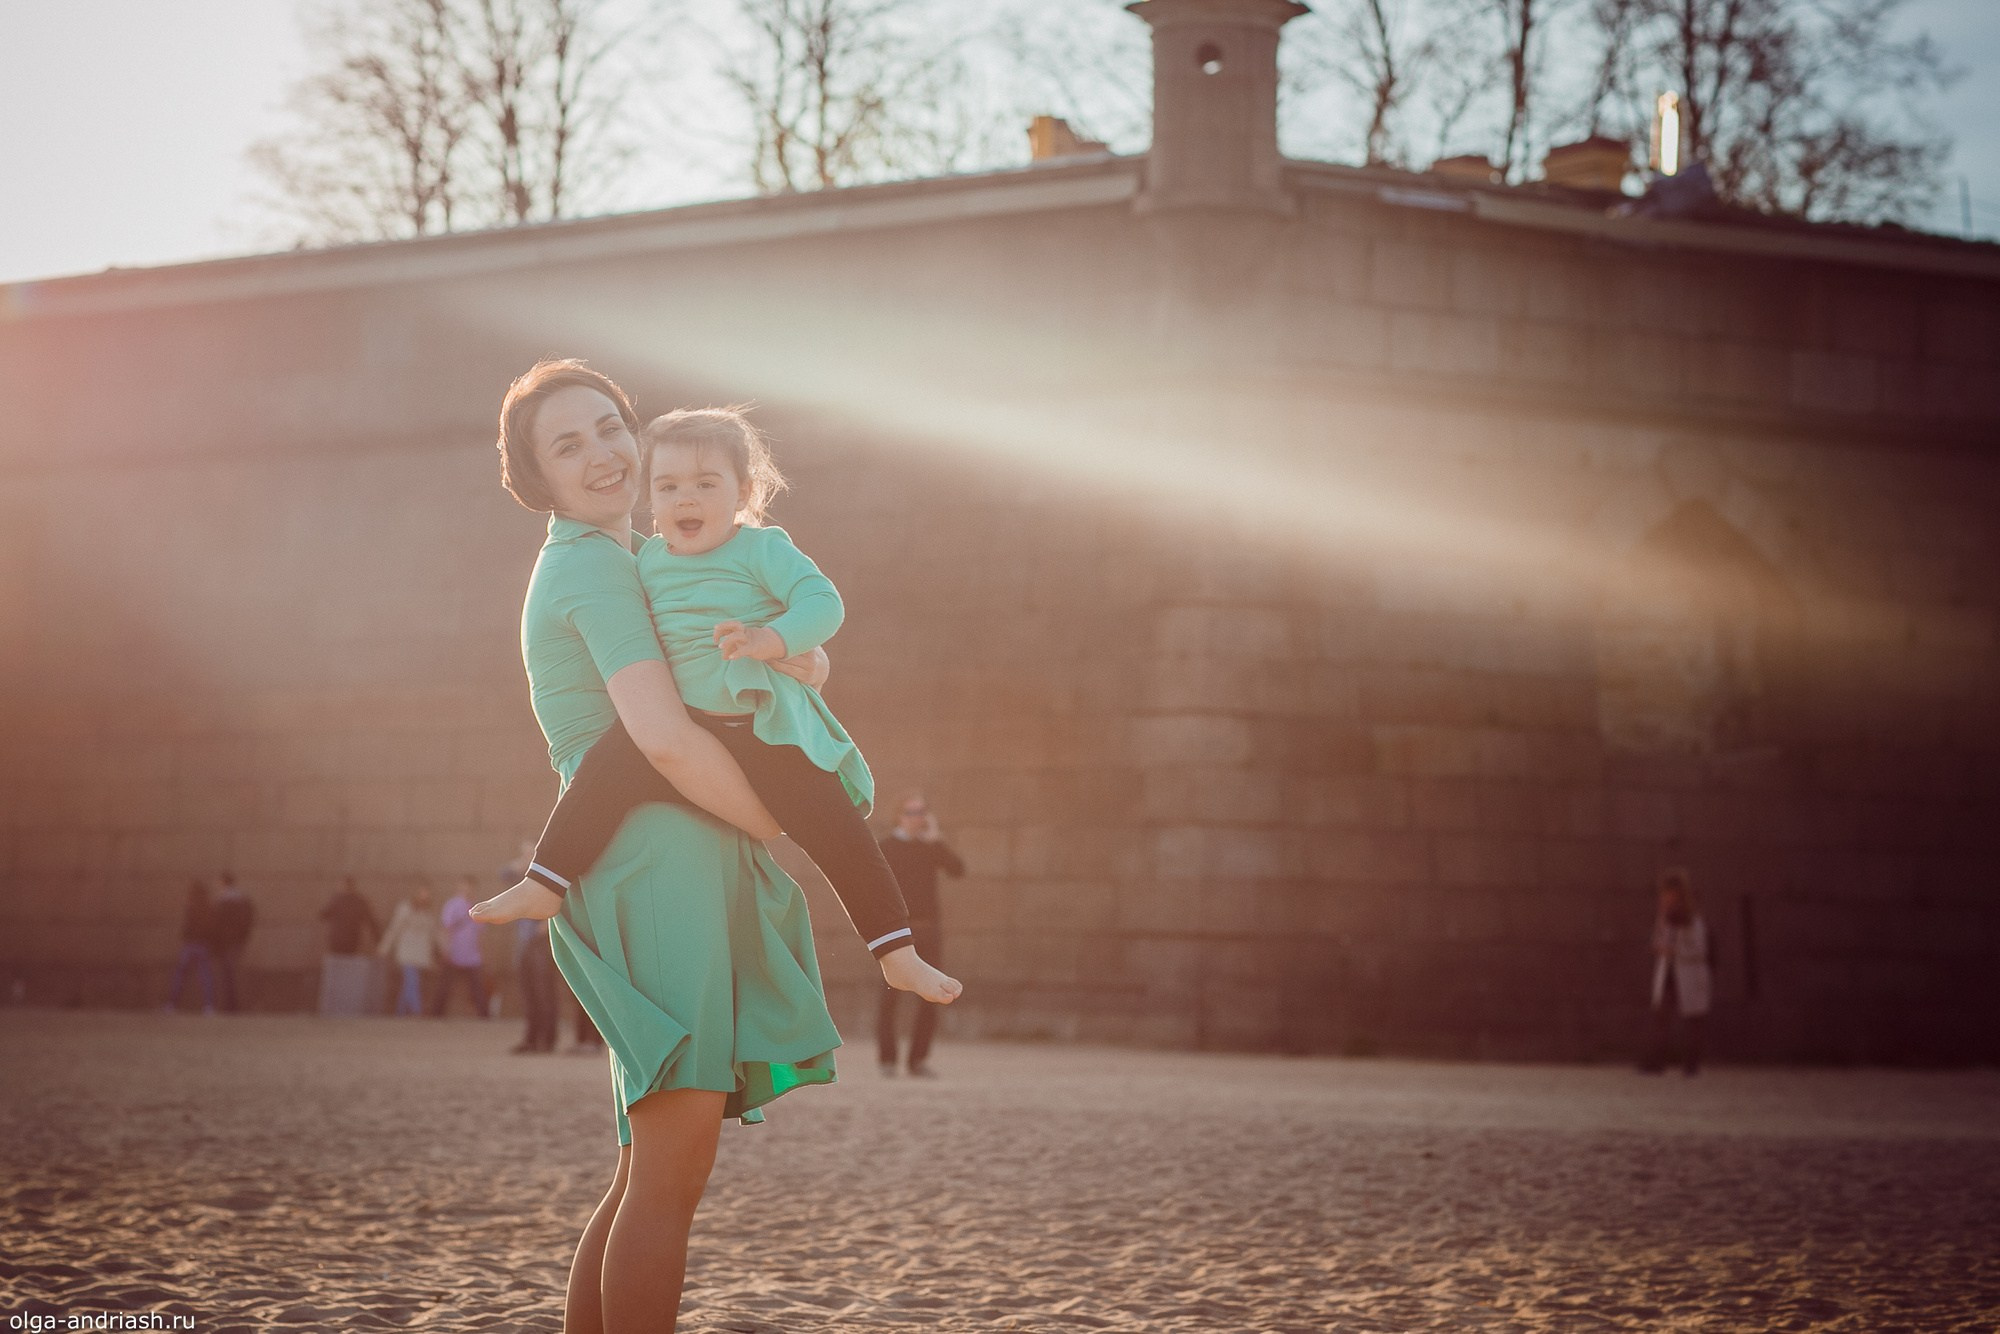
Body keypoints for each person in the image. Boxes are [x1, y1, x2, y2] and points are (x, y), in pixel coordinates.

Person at [494, 359, 852, 1331]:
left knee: (643, 1173)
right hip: (655, 862)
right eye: (567, 444)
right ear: (538, 477)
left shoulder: (623, 556)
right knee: (669, 1174)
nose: (603, 452)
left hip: (645, 859)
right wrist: (780, 822)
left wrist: (798, 652)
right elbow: (658, 735)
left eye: (610, 426)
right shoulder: (597, 567)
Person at [473, 406, 962, 1010]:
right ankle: (545, 881)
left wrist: (782, 642)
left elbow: (822, 601)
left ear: (743, 494)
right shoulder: (647, 560)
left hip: (762, 724)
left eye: (707, 484)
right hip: (695, 725)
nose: (687, 499)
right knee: (608, 767)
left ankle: (897, 953)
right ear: (650, 493)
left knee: (839, 833)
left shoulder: (760, 549)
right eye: (668, 486)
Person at [876, 793, 966, 1077]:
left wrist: (936, 839)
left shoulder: (930, 847)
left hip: (928, 929)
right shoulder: (886, 847)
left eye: (921, 812)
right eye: (911, 812)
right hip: (897, 930)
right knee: (890, 995)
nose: (918, 817)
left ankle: (917, 1061)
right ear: (899, 816)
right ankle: (888, 1060)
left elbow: (957, 870)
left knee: (933, 996)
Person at [1642, 867, 1714, 1075]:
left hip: (1688, 973)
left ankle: (1692, 1064)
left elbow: (1698, 949)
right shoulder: (1664, 916)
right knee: (1661, 1017)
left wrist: (1673, 951)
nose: (1665, 897)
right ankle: (1656, 1062)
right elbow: (1658, 941)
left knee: (1693, 1020)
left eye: (1669, 892)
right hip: (1669, 973)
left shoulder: (1693, 918)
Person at [377, 882, 441, 1017]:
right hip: (407, 950)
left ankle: (400, 1012)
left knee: (408, 983)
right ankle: (417, 1011)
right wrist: (384, 947)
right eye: (422, 892)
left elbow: (435, 933)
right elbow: (394, 929)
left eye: (427, 893)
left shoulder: (428, 912)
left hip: (421, 952)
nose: (425, 895)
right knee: (412, 981)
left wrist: (445, 948)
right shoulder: (405, 909)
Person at [433, 875, 491, 1018]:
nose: (467, 889)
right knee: (444, 986)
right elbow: (445, 928)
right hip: (453, 953)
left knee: (478, 987)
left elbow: (481, 933)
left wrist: (483, 952)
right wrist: (445, 949)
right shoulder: (452, 905)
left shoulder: (477, 906)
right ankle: (435, 1014)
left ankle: (484, 1015)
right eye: (464, 885)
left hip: (473, 955)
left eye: (470, 886)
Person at [162, 879, 217, 1014]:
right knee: (205, 976)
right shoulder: (208, 907)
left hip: (190, 944)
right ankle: (208, 1006)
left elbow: (187, 926)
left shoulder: (190, 907)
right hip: (203, 944)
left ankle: (172, 1004)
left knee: (180, 975)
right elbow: (211, 926)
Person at [207, 872, 255, 1013]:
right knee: (232, 973)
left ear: (223, 882)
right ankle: (233, 1005)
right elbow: (247, 921)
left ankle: (231, 1005)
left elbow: (216, 924)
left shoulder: (222, 902)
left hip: (226, 942)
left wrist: (216, 943)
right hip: (237, 942)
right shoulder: (243, 901)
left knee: (228, 974)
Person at [320, 877, 381, 955]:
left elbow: (323, 915)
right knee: (349, 960)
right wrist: (377, 938)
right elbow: (370, 920)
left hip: (337, 938)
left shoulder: (336, 900)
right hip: (352, 938)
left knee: (338, 960)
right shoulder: (359, 901)